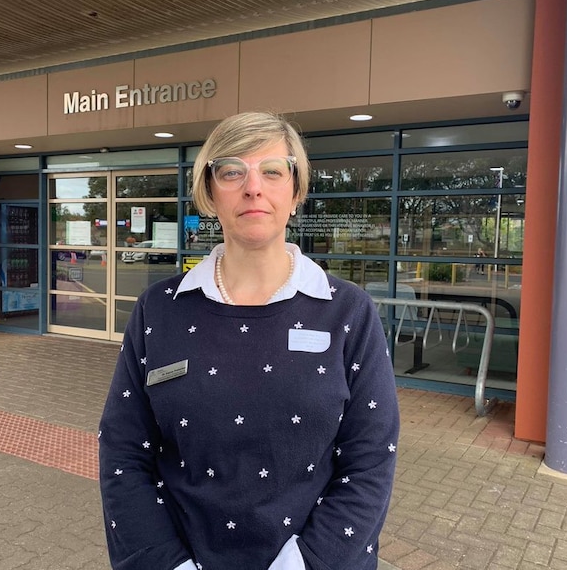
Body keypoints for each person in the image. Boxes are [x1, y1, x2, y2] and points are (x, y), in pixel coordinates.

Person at [98, 112, 400, 570]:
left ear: (295, 193)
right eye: (232, 171)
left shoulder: (349, 313)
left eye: (273, 171)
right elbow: (123, 452)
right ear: (210, 192)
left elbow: (371, 459)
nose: (253, 187)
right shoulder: (158, 310)